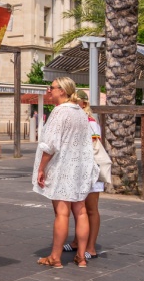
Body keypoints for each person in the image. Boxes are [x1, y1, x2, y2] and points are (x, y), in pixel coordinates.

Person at [33, 77, 98, 269]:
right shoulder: (79, 111)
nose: (49, 91)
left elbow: (50, 145)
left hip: (62, 168)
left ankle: (55, 257)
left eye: (51, 88)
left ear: (62, 90)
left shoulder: (60, 112)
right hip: (79, 167)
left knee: (62, 212)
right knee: (81, 211)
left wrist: (41, 168)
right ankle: (81, 257)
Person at [63, 90, 101, 260]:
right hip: (77, 169)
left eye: (76, 103)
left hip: (90, 169)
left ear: (84, 104)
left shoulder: (91, 123)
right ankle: (77, 241)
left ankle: (91, 247)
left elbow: (91, 147)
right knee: (78, 209)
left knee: (90, 209)